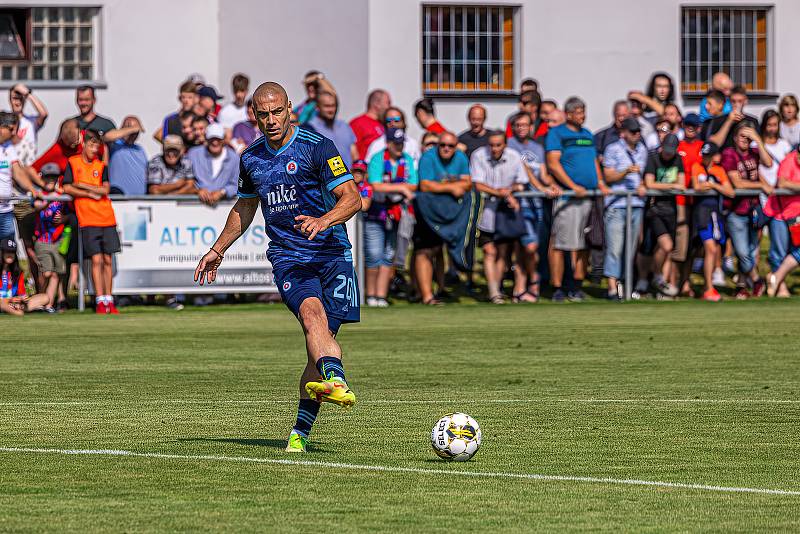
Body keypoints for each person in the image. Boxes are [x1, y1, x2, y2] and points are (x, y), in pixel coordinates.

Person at [193, 81, 362, 454]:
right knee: (311, 315)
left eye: (276, 112)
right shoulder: (251, 157)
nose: (270, 120)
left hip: (333, 255)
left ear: (289, 108)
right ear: (253, 114)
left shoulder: (318, 147)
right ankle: (337, 379)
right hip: (289, 256)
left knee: (318, 348)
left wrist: (324, 219)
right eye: (262, 114)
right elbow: (245, 207)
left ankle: (300, 432)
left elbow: (352, 199)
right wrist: (217, 249)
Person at [545, 97, 610, 302]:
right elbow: (553, 164)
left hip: (588, 197)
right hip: (569, 197)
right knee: (563, 243)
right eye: (579, 112)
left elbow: (593, 161)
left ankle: (576, 285)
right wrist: (573, 187)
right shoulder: (557, 134)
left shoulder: (587, 134)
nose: (583, 116)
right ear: (569, 114)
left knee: (583, 244)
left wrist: (600, 182)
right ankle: (559, 287)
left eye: (584, 111)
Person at [61, 129, 120, 314]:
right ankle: (100, 299)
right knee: (96, 260)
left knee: (107, 259)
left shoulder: (101, 166)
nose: (95, 149)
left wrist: (83, 185)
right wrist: (88, 192)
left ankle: (109, 299)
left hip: (106, 217)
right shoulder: (73, 162)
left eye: (97, 145)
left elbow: (105, 190)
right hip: (87, 218)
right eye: (92, 144)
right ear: (84, 144)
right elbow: (67, 187)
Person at [471, 130, 529, 304]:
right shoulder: (479, 155)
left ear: (505, 144)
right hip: (485, 212)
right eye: (491, 145)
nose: (494, 149)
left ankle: (499, 289)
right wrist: (501, 192)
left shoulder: (514, 156)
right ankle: (494, 292)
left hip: (506, 213)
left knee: (503, 253)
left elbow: (522, 182)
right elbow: (478, 184)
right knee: (489, 251)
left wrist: (509, 190)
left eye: (498, 145)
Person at [507, 112, 560, 301]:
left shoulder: (537, 147)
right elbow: (524, 170)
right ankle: (530, 283)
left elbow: (542, 173)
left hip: (537, 205)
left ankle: (523, 287)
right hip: (518, 205)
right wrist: (541, 188)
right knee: (525, 247)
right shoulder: (509, 146)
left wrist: (551, 184)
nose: (522, 128)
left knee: (532, 247)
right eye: (518, 125)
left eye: (525, 124)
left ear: (531, 127)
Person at [414, 131, 471, 305]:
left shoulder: (461, 158)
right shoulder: (427, 157)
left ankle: (440, 290)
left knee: (439, 251)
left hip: (449, 210)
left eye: (451, 146)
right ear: (438, 145)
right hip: (426, 209)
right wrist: (452, 187)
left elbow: (468, 183)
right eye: (443, 145)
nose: (446, 149)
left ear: (456, 146)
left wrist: (441, 186)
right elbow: (424, 185)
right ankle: (426, 295)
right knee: (425, 251)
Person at [365, 127, 418, 306]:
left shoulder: (407, 159)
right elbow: (375, 185)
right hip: (377, 210)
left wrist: (402, 188)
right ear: (388, 143)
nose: (399, 146)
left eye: (401, 143)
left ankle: (381, 296)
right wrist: (401, 188)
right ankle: (370, 295)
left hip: (397, 212)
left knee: (389, 254)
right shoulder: (378, 158)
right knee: (373, 253)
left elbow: (413, 185)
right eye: (395, 143)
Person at [721, 122, 773, 298]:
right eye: (742, 135)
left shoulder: (754, 152)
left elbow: (768, 162)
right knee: (743, 253)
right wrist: (760, 184)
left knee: (751, 251)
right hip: (736, 211)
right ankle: (757, 280)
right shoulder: (729, 154)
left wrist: (758, 140)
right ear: (735, 137)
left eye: (747, 136)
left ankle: (741, 286)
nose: (745, 139)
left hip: (753, 209)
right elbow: (737, 183)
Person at [602, 118, 649, 300]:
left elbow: (644, 175)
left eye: (638, 131)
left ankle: (626, 285)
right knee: (615, 248)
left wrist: (643, 184)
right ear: (624, 133)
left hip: (636, 204)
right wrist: (625, 172)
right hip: (617, 204)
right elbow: (608, 176)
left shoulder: (642, 150)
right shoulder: (613, 149)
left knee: (631, 248)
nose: (637, 134)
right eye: (633, 131)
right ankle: (612, 288)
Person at [691, 141, 735, 301]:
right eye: (704, 155)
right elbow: (696, 186)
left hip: (715, 213)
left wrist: (713, 186)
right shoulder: (697, 167)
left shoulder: (719, 170)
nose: (706, 159)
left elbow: (730, 191)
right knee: (710, 248)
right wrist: (709, 185)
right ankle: (708, 288)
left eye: (709, 156)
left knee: (714, 249)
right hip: (701, 213)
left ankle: (708, 288)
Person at [643, 134, 684, 297]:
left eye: (671, 151)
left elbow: (682, 183)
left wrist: (668, 186)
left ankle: (662, 285)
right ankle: (657, 276)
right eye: (666, 150)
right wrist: (671, 186)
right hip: (655, 209)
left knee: (668, 249)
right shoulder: (653, 158)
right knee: (665, 245)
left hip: (671, 210)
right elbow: (650, 183)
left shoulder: (678, 159)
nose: (668, 154)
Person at [759, 109, 794, 296]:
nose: (772, 129)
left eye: (775, 125)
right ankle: (774, 282)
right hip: (767, 202)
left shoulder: (784, 145)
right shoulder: (759, 145)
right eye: (769, 124)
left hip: (787, 205)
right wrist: (764, 185)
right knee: (769, 246)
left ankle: (778, 281)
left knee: (785, 245)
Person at [766, 143, 800, 297]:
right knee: (778, 252)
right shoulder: (789, 161)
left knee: (797, 252)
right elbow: (782, 183)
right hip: (780, 213)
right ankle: (780, 287)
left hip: (796, 216)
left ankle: (776, 278)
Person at [32, 164, 66, 311]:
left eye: (54, 177)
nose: (51, 180)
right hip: (43, 241)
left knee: (55, 274)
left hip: (58, 240)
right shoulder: (39, 194)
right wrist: (48, 199)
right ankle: (40, 299)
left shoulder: (63, 195)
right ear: (42, 178)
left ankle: (49, 304)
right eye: (48, 177)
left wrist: (62, 218)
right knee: (46, 273)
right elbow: (37, 206)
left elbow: (70, 215)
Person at [0, 112, 39, 240]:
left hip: (6, 212)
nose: (14, 133)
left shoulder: (8, 146)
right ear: (1, 127)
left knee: (9, 254)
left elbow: (18, 172)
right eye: (11, 129)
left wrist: (32, 189)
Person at [187, 123, 239, 206]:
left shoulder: (234, 158)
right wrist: (197, 190)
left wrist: (222, 192)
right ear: (206, 139)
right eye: (211, 139)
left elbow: (236, 184)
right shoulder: (193, 154)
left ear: (224, 140)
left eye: (218, 139)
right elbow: (187, 179)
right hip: (196, 205)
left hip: (224, 207)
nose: (215, 142)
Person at [307, 92, 357, 167]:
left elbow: (354, 154)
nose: (331, 110)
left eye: (333, 106)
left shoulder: (344, 126)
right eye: (327, 106)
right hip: (325, 177)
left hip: (348, 176)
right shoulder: (310, 128)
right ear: (317, 107)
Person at [0, 238, 49, 315]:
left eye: (12, 252)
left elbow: (21, 293)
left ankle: (15, 309)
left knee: (45, 297)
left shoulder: (18, 272)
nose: (10, 254)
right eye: (7, 251)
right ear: (1, 253)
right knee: (2, 303)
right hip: (3, 302)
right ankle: (18, 312)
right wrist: (10, 299)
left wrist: (23, 298)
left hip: (14, 303)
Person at [705, 85, 760, 150]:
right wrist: (729, 121)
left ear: (745, 101)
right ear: (730, 101)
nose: (736, 104)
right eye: (733, 101)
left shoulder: (752, 121)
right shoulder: (719, 120)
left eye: (740, 101)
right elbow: (714, 144)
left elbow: (757, 145)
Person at [105, 116, 148, 195]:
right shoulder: (115, 145)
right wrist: (132, 129)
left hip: (140, 200)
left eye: (136, 132)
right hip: (119, 199)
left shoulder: (140, 149)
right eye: (131, 131)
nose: (133, 135)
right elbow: (106, 136)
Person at [8, 83, 48, 166]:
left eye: (21, 99)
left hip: (28, 170)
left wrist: (27, 94)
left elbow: (43, 114)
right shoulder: (4, 121)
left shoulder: (31, 121)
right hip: (9, 171)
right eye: (15, 98)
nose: (18, 102)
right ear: (10, 100)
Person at [350, 89, 390, 159]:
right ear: (377, 104)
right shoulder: (357, 123)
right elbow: (351, 150)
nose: (389, 107)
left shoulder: (383, 124)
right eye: (388, 103)